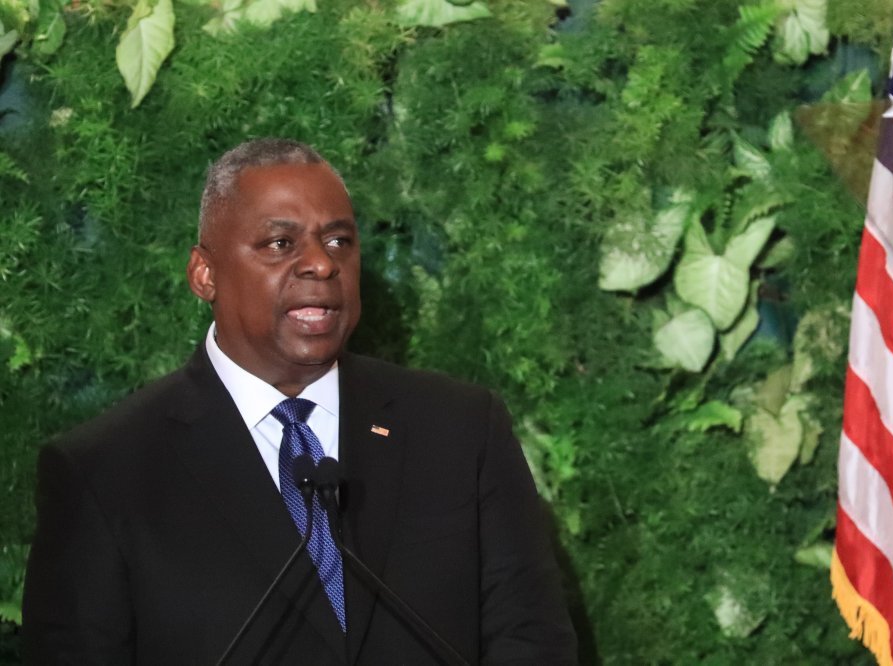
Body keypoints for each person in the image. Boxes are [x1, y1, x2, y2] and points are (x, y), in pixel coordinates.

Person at [21, 138, 578, 664]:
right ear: (204, 274)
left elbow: (532, 641)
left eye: (338, 241)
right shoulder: (104, 471)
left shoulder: (461, 430)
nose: (321, 264)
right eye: (280, 244)